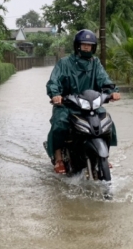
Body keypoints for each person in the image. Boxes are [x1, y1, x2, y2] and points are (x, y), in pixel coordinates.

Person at [45, 29, 121, 174]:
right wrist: (56, 94)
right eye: (84, 44)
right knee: (59, 123)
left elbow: (104, 79)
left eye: (89, 45)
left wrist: (112, 92)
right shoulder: (64, 63)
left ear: (93, 47)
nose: (86, 47)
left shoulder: (95, 63)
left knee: (107, 121)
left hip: (90, 104)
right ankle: (58, 157)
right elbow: (54, 81)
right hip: (68, 105)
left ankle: (104, 155)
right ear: (77, 46)